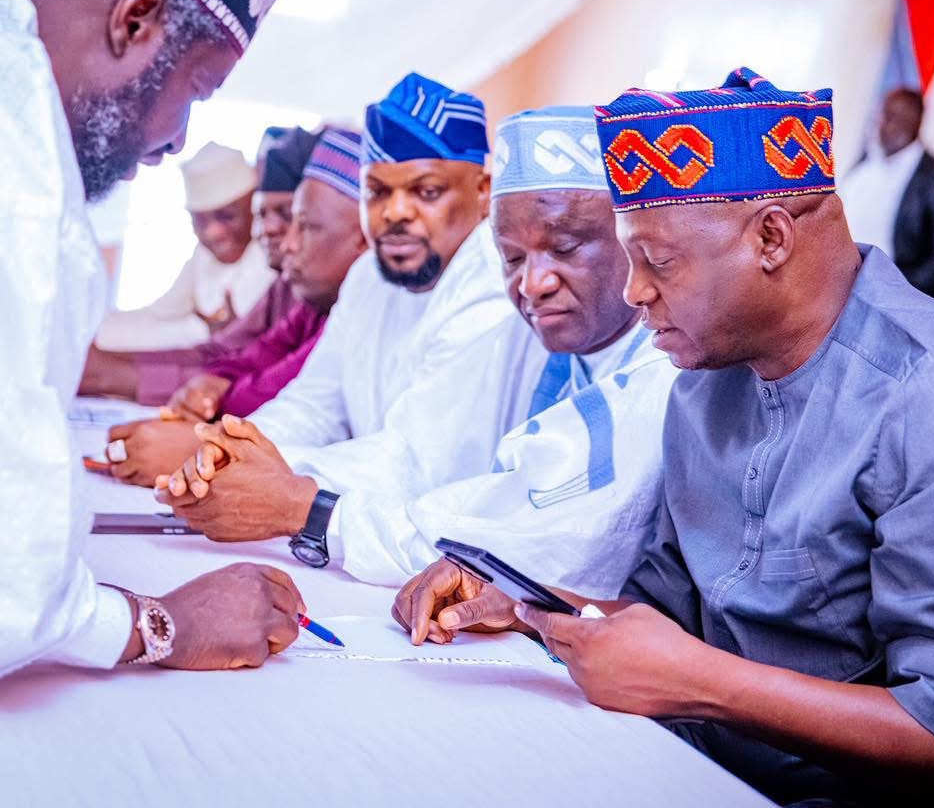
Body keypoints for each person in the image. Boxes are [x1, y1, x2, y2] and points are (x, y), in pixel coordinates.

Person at [393, 69, 934, 804]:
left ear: (771, 237)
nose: (634, 291)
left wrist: (703, 685)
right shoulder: (705, 379)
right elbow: (668, 619)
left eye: (658, 262)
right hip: (679, 759)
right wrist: (525, 603)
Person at [155, 108, 678, 594]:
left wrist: (304, 507)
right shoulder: (522, 326)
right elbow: (413, 450)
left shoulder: (659, 371)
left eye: (564, 248)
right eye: (512, 256)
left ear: (635, 242)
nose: (533, 282)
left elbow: (517, 543)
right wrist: (248, 464)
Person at [0, 0, 303, 677]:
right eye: (197, 91)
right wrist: (158, 624)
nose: (175, 142)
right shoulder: (20, 166)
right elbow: (11, 598)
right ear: (135, 19)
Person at [102, 128, 366, 484]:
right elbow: (241, 358)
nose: (278, 236)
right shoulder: (311, 294)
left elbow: (273, 392)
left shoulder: (344, 292)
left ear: (364, 235)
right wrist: (212, 386)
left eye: (296, 221)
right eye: (264, 215)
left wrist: (203, 445)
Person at [78, 125, 317, 405]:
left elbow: (271, 386)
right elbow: (222, 355)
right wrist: (105, 366)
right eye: (264, 215)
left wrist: (114, 376)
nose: (271, 231)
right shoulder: (287, 282)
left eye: (291, 216)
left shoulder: (308, 286)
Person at [96, 141, 275, 350]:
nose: (212, 232)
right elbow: (162, 312)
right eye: (200, 221)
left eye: (227, 216)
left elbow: (233, 332)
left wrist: (200, 330)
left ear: (254, 208)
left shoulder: (271, 253)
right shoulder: (203, 254)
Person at [839, 87, 934, 302]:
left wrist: (892, 292)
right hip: (840, 277)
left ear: (915, 123)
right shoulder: (866, 161)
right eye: (881, 115)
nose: (882, 125)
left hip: (890, 294)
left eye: (893, 117)